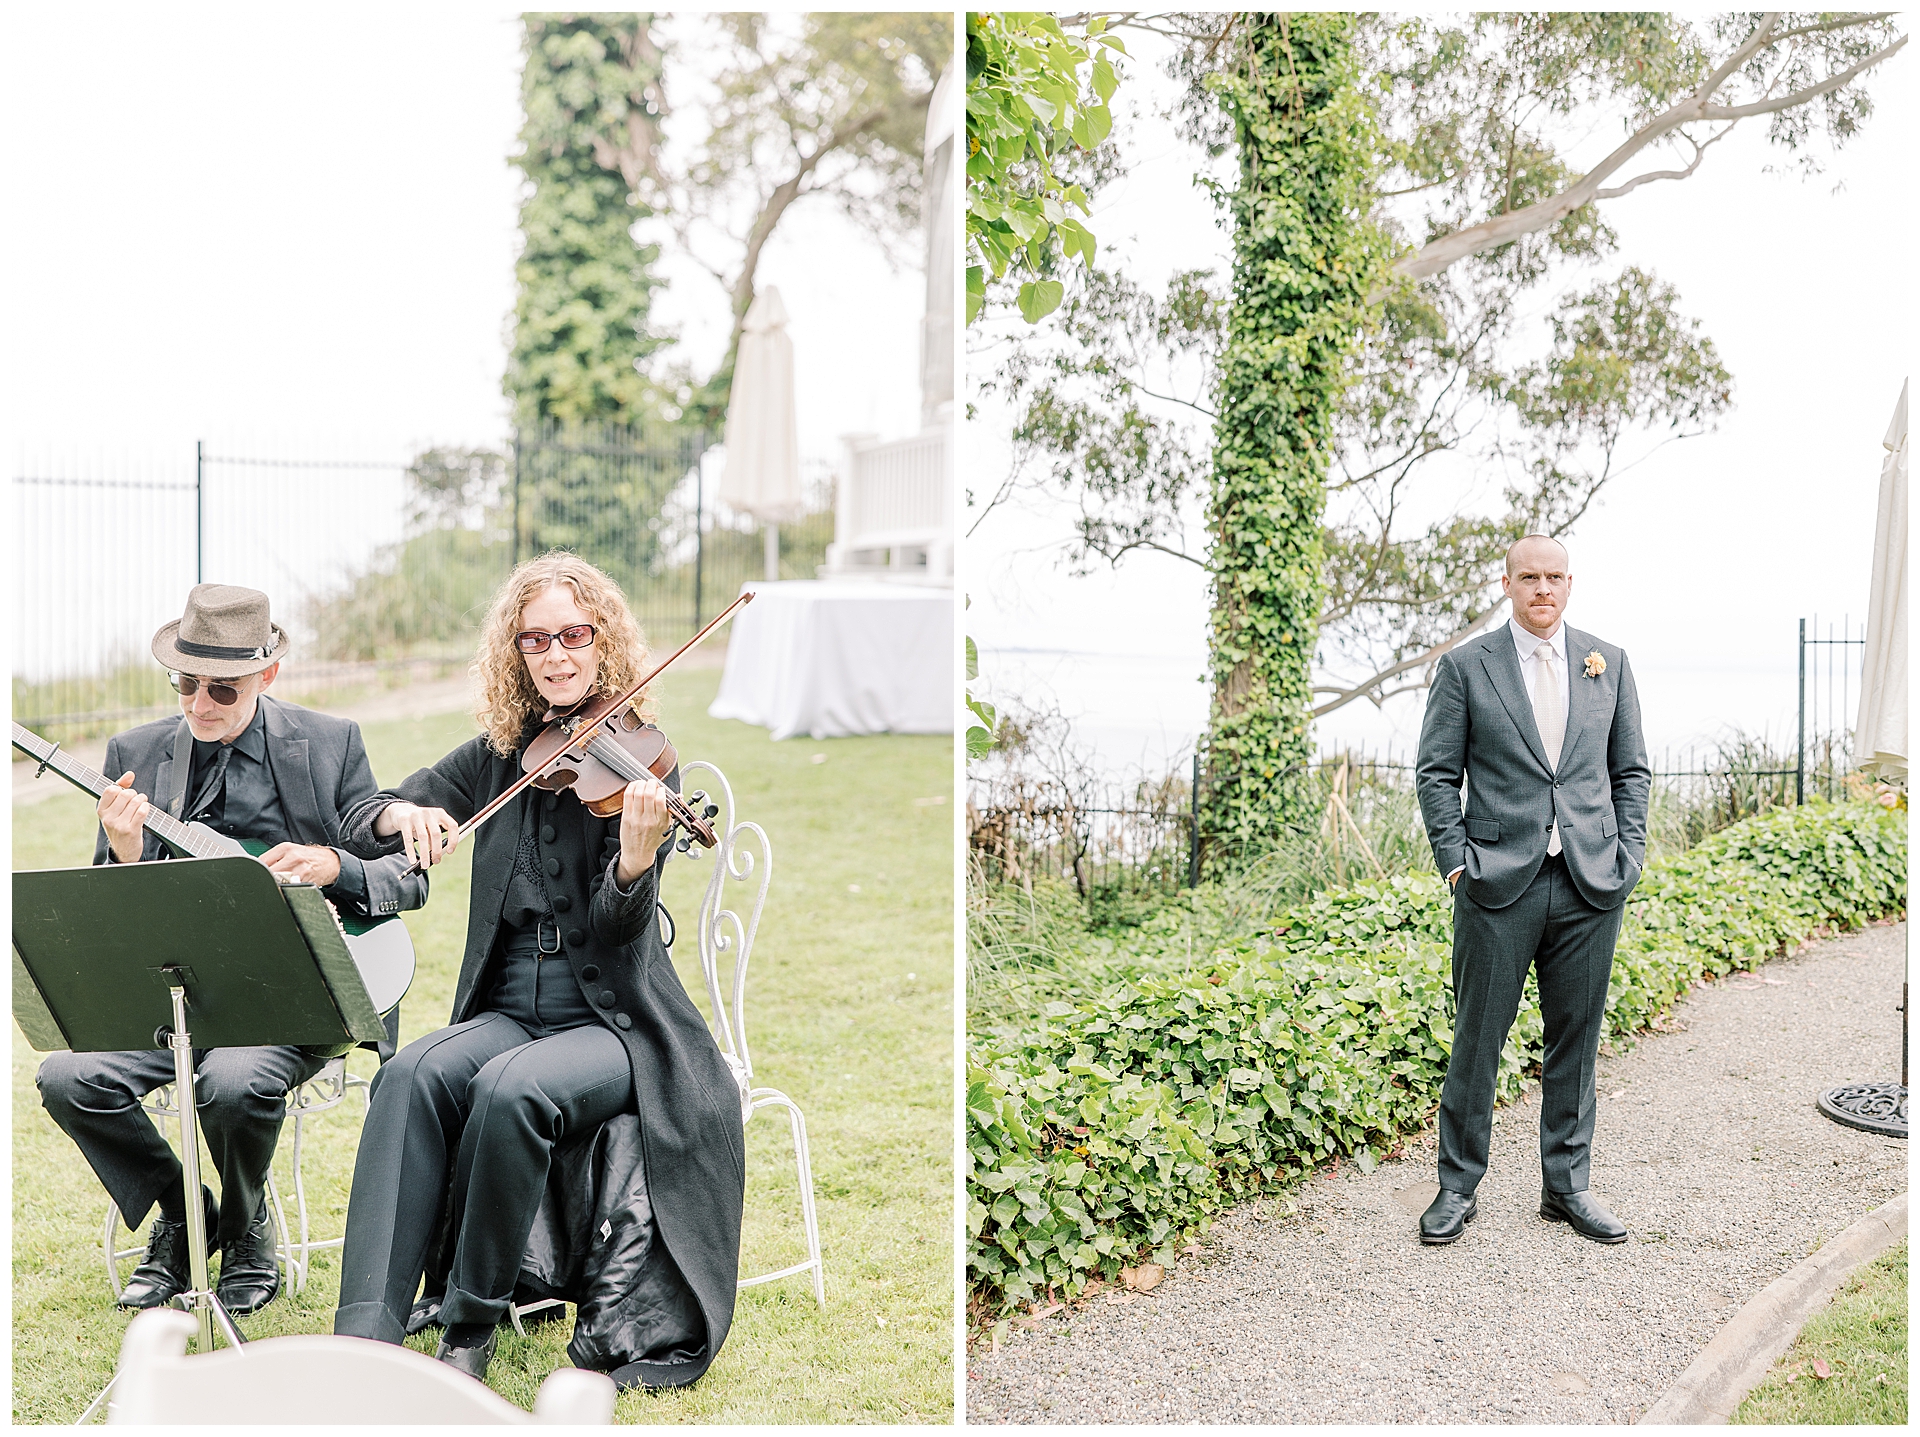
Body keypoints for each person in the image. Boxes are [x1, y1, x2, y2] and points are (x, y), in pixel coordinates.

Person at [331, 552, 744, 1388]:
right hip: (510, 1005)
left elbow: (622, 940)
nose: (556, 655)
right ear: (515, 654)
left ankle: (469, 1326)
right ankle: (364, 1336)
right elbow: (360, 812)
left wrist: (632, 866)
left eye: (573, 635)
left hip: (615, 1021)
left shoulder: (640, 764)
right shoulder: (498, 756)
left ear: (604, 643)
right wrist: (405, 813)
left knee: (510, 1088)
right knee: (409, 1074)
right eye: (535, 641)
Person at [36, 583, 427, 1317]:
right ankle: (189, 1215)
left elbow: (405, 879)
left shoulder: (330, 742)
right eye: (185, 683)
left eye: (221, 687)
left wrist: (330, 865)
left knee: (234, 1079)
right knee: (67, 1077)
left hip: (295, 992)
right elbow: (111, 919)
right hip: (175, 992)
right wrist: (124, 853)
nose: (199, 703)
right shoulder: (138, 752)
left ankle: (247, 1226)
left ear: (266, 676)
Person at [1412, 535, 1651, 1246]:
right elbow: (1435, 772)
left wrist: (1626, 856)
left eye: (1554, 577)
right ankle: (1457, 1186)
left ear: (1569, 584)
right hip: (1496, 881)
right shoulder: (1466, 667)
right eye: (1529, 577)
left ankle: (1567, 1186)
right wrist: (1457, 862)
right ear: (1508, 583)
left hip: (1588, 883)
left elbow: (1631, 770)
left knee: (1575, 1042)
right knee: (1478, 1038)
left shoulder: (1608, 662)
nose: (1542, 589)